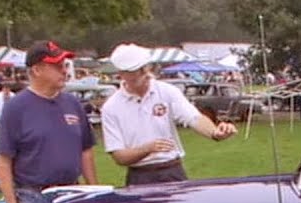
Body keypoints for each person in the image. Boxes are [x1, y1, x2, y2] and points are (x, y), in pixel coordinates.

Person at [0, 40, 98, 203]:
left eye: (65, 65)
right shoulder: (16, 108)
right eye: (57, 66)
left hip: (70, 193)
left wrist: (93, 191)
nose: (64, 71)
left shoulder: (73, 104)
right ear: (37, 70)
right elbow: (3, 160)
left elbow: (86, 150)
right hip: (33, 198)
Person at [100, 43, 238, 186]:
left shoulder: (167, 91)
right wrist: (147, 149)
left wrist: (215, 133)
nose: (145, 73)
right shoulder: (111, 108)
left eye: (146, 67)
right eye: (137, 70)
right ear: (122, 74)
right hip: (139, 176)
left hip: (172, 171)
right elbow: (119, 157)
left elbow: (193, 118)